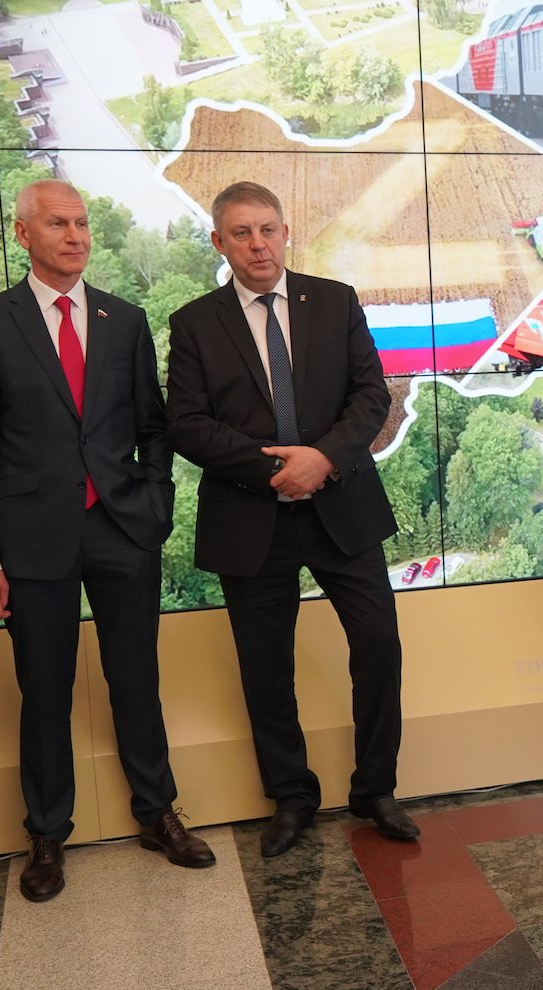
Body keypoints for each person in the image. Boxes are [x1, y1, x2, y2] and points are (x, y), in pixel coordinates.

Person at [0, 180, 213, 902]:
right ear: (23, 234)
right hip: (30, 538)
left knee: (136, 678)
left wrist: (155, 503)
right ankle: (46, 833)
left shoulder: (123, 319)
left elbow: (154, 425)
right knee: (44, 688)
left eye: (82, 223)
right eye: (57, 224)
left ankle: (158, 813)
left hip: (123, 526)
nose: (74, 236)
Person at [167, 181, 416, 856]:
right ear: (219, 242)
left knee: (379, 647)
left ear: (285, 233)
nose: (259, 245)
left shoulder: (334, 301)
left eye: (268, 229)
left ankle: (376, 790)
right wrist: (275, 468)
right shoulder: (194, 323)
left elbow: (371, 395)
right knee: (266, 668)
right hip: (251, 517)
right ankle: (292, 796)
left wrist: (322, 459)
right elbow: (186, 424)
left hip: (342, 508)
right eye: (241, 233)